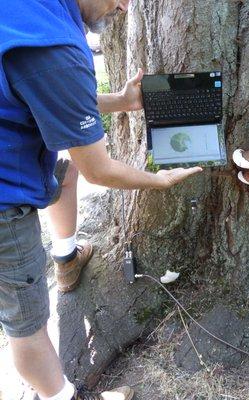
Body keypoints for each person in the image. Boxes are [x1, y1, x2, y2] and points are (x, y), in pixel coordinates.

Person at [0, 1, 203, 399]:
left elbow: (53, 94)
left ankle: (66, 258)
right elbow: (99, 169)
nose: (125, 6)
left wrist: (122, 101)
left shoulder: (37, 14)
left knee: (65, 169)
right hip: (4, 197)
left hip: (13, 143)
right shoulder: (55, 49)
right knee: (26, 323)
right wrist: (157, 181)